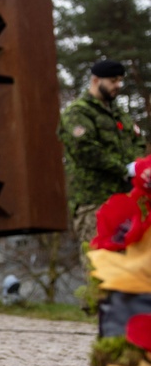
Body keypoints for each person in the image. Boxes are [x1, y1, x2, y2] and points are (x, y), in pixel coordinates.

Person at [57, 60, 144, 252]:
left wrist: (139, 167)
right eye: (113, 81)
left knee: (131, 267)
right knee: (101, 265)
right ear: (96, 80)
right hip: (94, 203)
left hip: (126, 201)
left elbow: (137, 141)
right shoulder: (78, 113)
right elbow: (85, 150)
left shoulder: (119, 114)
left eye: (120, 80)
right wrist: (124, 169)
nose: (118, 86)